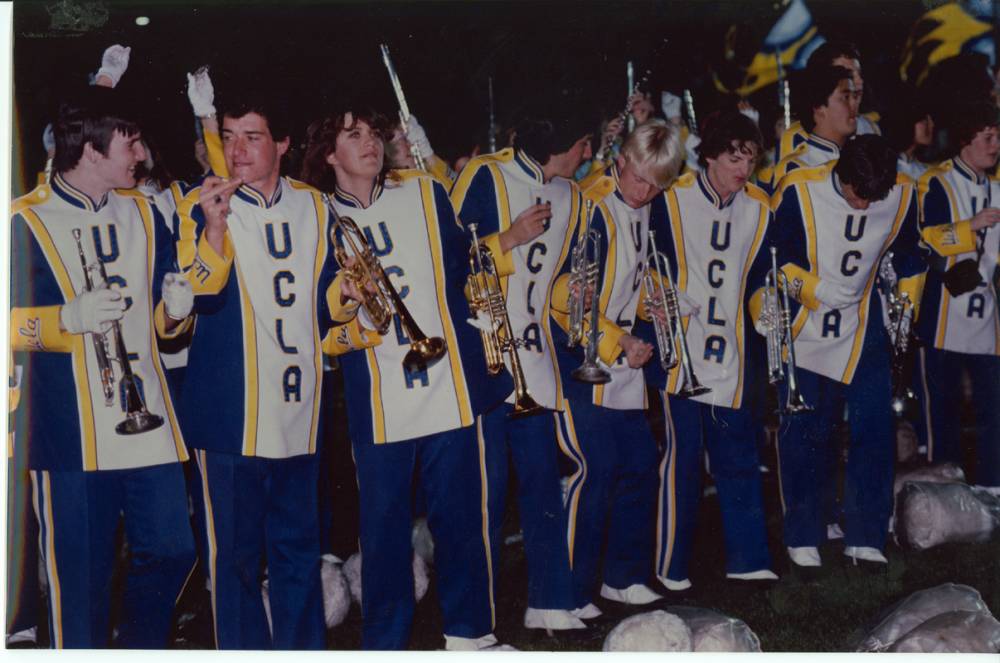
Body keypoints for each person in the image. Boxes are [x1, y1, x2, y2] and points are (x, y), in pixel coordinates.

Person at [301, 108, 512, 650]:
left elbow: (465, 264)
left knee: (460, 518)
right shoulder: (315, 214)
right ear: (329, 154)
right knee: (384, 532)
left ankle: (471, 636)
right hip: (379, 393)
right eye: (353, 136)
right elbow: (321, 319)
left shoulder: (424, 191)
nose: (370, 144)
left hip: (449, 383)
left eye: (374, 133)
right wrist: (344, 301)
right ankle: (385, 644)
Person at [9, 85, 196, 648]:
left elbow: (165, 325)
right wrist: (65, 318)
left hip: (150, 426)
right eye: (130, 141)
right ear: (91, 149)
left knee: (173, 551)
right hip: (69, 435)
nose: (140, 154)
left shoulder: (144, 211)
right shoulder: (22, 222)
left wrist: (178, 312)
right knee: (79, 588)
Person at [174, 92, 339, 649]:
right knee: (236, 565)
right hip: (231, 414)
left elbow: (325, 300)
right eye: (228, 136)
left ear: (283, 145)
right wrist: (213, 230)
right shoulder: (195, 202)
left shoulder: (317, 206)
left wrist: (352, 299)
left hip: (300, 408)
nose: (237, 150)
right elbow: (193, 300)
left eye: (253, 136)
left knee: (298, 554)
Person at [450, 113, 593, 631]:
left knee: (542, 481)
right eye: (584, 141)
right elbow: (448, 262)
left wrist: (575, 296)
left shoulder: (573, 197)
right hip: (484, 358)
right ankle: (476, 621)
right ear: (566, 141)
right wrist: (507, 238)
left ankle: (550, 601)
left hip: (535, 362)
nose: (588, 152)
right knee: (485, 497)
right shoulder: (486, 174)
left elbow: (550, 286)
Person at [765, 134, 925, 567]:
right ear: (841, 175)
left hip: (864, 325)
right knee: (807, 432)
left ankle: (867, 534)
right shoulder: (799, 190)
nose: (864, 207)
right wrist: (815, 290)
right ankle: (804, 533)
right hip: (806, 324)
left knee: (874, 429)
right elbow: (773, 260)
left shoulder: (903, 193)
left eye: (875, 198)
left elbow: (911, 255)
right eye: (858, 196)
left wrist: (905, 311)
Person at [550, 118, 683, 615]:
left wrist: (656, 305)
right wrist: (617, 339)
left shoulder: (643, 206)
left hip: (622, 360)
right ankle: (569, 590)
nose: (646, 191)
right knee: (597, 470)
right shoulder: (593, 204)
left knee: (641, 465)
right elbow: (565, 294)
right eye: (640, 178)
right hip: (579, 359)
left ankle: (622, 577)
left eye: (657, 184)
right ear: (620, 161)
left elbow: (630, 281)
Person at [649, 111, 777, 590]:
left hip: (734, 353)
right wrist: (662, 298)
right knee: (680, 460)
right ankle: (669, 566)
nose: (742, 169)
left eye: (750, 159)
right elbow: (648, 264)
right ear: (708, 156)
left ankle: (748, 558)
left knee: (738, 456)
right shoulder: (672, 198)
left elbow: (762, 279)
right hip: (681, 349)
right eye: (732, 157)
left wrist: (766, 308)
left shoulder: (761, 209)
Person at [916, 100, 1000, 493]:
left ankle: (990, 484)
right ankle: (941, 491)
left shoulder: (997, 187)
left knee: (993, 405)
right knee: (942, 408)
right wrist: (970, 227)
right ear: (966, 140)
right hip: (943, 312)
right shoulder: (938, 181)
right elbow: (924, 239)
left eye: (997, 136)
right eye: (988, 136)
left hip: (987, 313)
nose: (995, 144)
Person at [776, 40, 880, 162]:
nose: (859, 82)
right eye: (848, 75)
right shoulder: (795, 139)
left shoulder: (870, 128)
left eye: (859, 74)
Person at [773, 63, 859, 181]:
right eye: (846, 97)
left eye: (855, 96)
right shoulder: (796, 170)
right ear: (819, 108)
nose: (855, 103)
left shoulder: (862, 156)